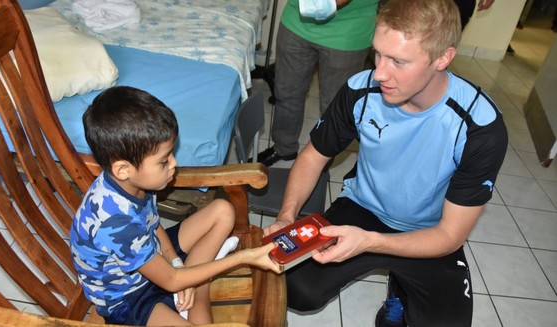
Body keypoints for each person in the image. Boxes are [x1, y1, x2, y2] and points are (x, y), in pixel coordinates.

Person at [263, 0, 508, 326]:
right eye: (378, 53)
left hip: (429, 231)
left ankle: (400, 291)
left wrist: (373, 243)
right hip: (362, 209)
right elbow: (312, 156)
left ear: (443, 58)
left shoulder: (481, 127)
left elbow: (450, 234)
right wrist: (286, 216)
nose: (379, 72)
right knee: (295, 289)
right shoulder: (360, 89)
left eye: (398, 61)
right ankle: (393, 274)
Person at [70, 86, 281, 326]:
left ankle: (196, 284)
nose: (174, 164)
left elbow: (153, 225)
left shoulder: (134, 182)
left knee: (223, 210)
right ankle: (197, 284)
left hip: (151, 255)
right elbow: (170, 279)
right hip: (129, 297)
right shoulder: (115, 221)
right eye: (164, 160)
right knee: (184, 290)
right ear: (123, 169)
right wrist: (245, 257)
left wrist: (175, 261)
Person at [257, 0, 380, 167]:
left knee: (334, 108)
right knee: (286, 93)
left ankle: (322, 159)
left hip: (348, 31)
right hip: (296, 22)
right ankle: (283, 147)